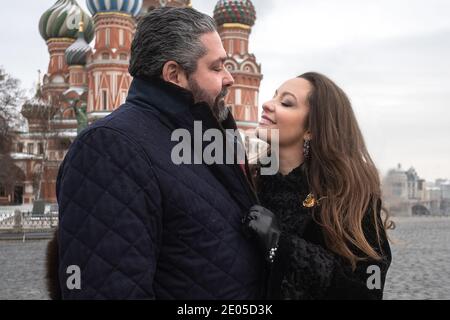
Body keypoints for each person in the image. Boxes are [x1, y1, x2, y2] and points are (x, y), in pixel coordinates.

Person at [49, 7, 266, 299]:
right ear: (174, 74)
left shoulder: (201, 138)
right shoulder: (110, 148)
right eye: (216, 67)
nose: (229, 78)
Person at [243, 72, 394, 300]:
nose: (266, 104)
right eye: (274, 96)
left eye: (286, 103)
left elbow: (369, 292)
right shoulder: (247, 184)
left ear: (311, 129)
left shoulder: (353, 202)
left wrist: (281, 246)